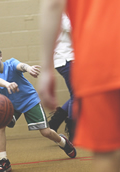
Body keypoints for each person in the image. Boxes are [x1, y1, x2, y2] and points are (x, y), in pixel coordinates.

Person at [38, 0, 120, 172]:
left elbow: (53, 4)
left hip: (94, 56)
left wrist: (45, 68)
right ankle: (67, 125)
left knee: (107, 152)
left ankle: (64, 122)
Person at [0, 43, 76, 172]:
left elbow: (20, 66)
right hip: (11, 106)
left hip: (30, 101)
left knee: (46, 132)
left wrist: (29, 68)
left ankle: (62, 142)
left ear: (0, 55)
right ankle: (4, 161)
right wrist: (7, 84)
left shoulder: (11, 63)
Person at [48, 13, 74, 141]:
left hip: (70, 59)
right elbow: (73, 28)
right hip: (66, 59)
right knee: (77, 95)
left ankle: (55, 121)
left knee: (78, 93)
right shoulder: (63, 12)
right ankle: (74, 131)